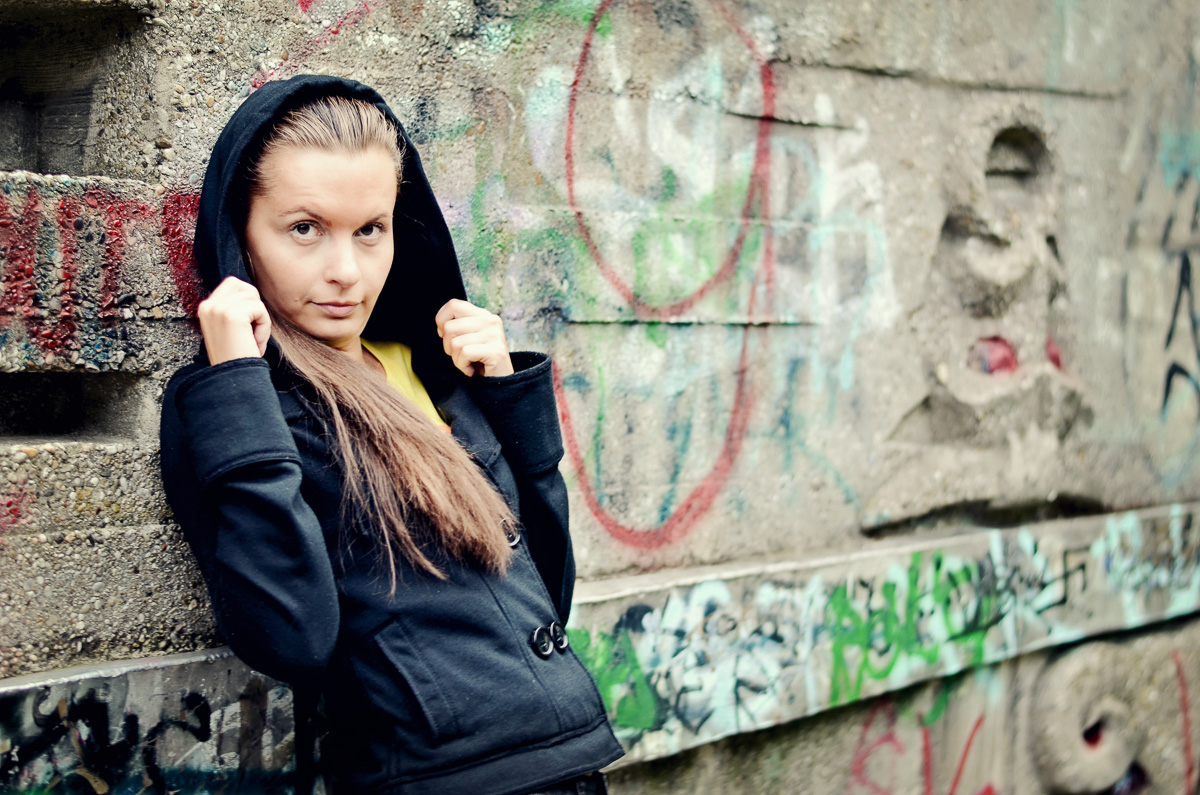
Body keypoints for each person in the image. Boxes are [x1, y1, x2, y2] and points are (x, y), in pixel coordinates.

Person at [159, 74, 624, 794]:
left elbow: (546, 595)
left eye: (370, 230)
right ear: (238, 231)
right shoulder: (237, 405)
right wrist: (239, 385)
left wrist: (507, 397)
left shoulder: (435, 373)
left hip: (570, 762)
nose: (346, 272)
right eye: (305, 229)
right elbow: (293, 635)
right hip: (438, 779)